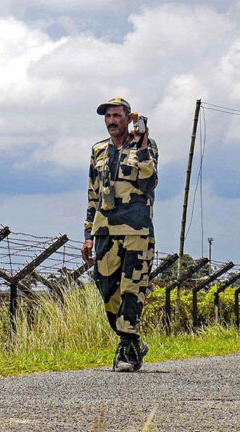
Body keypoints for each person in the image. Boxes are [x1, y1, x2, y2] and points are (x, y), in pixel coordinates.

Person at [81, 97, 158, 372]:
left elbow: (149, 182)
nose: (112, 121)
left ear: (129, 118)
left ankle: (126, 346)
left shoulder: (143, 147)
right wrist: (88, 234)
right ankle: (133, 339)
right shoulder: (98, 150)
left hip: (136, 229)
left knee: (132, 287)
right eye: (108, 116)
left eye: (116, 115)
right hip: (105, 229)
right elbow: (93, 195)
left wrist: (143, 144)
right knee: (106, 287)